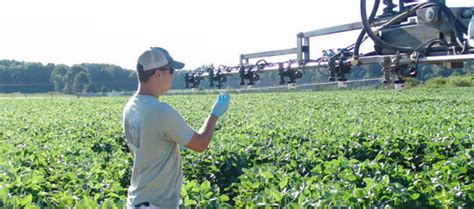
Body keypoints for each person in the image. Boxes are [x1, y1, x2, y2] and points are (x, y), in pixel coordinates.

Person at [122, 47, 230, 209]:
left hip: (136, 201)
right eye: (170, 70)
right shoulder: (161, 111)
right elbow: (200, 144)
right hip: (155, 204)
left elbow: (137, 151)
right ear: (158, 73)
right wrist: (214, 114)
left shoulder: (129, 107)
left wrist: (169, 146)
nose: (173, 75)